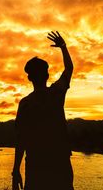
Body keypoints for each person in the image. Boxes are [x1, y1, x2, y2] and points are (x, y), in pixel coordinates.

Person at [12, 31, 74, 190]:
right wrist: (63, 47)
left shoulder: (25, 104)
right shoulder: (56, 93)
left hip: (36, 169)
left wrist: (15, 171)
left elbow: (21, 140)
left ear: (29, 78)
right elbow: (69, 68)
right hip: (60, 165)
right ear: (47, 75)